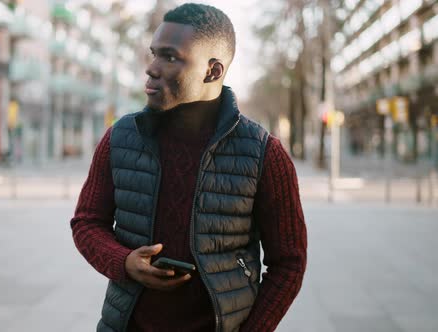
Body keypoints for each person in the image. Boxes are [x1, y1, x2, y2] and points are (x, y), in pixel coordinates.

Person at [71, 3, 307, 332]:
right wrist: (124, 262)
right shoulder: (121, 138)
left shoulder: (265, 154)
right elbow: (86, 222)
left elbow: (289, 263)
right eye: (153, 54)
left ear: (213, 71)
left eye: (170, 57)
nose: (151, 68)